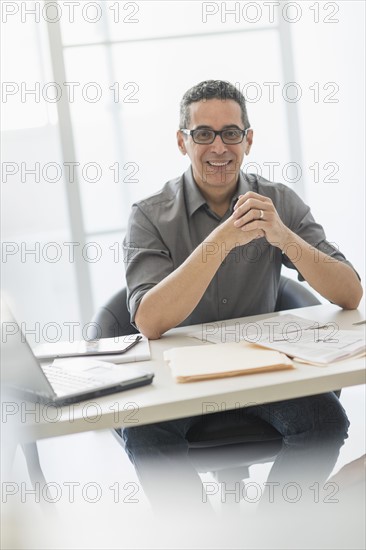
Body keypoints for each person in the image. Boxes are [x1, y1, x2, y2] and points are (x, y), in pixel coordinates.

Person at [122, 80, 362, 516]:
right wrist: (222, 238)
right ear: (182, 141)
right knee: (143, 431)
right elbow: (150, 322)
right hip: (179, 378)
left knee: (326, 423)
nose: (219, 147)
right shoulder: (149, 215)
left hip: (263, 370)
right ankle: (202, 538)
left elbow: (350, 293)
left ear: (248, 139)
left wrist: (283, 236)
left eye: (231, 133)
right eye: (203, 134)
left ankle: (270, 532)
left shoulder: (278, 202)